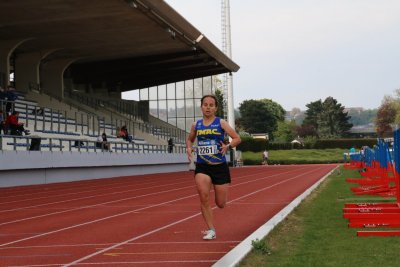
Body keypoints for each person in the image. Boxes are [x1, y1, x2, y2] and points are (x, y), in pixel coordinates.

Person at [186, 94, 241, 240]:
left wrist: (227, 146)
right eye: (205, 104)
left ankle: (218, 207)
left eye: (211, 105)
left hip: (219, 167)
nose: (208, 107)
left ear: (215, 108)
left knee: (220, 203)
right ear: (201, 107)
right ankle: (211, 229)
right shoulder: (195, 125)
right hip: (202, 167)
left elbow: (237, 138)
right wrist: (189, 148)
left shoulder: (221, 123)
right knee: (203, 196)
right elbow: (190, 139)